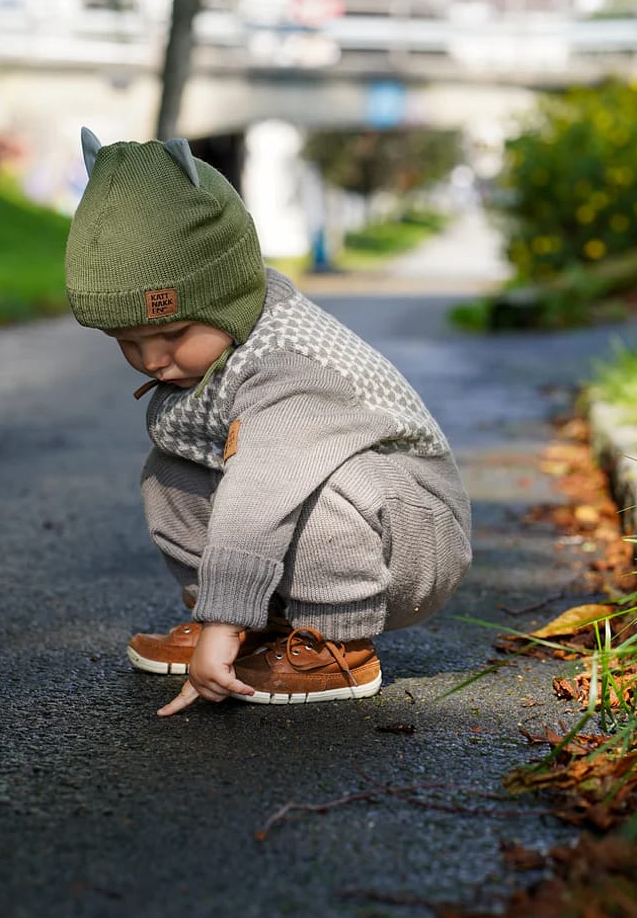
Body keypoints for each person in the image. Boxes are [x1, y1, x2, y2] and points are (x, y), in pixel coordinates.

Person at [65, 128, 472, 717]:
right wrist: (224, 614)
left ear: (226, 296)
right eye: (127, 342)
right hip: (356, 515)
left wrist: (221, 624)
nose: (152, 360)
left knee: (293, 480)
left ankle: (338, 642)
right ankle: (262, 624)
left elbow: (260, 494)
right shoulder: (224, 337)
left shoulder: (289, 363)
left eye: (172, 334)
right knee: (173, 467)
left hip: (411, 538)